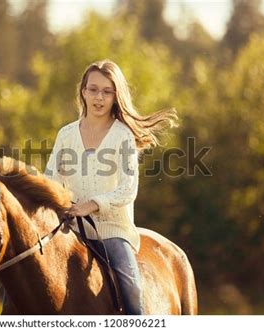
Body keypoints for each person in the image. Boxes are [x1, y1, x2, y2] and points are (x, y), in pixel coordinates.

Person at [45, 59, 178, 315]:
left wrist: (91, 205)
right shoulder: (66, 134)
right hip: (71, 230)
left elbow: (128, 188)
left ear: (116, 96)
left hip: (113, 231)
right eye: (93, 89)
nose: (99, 97)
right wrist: (58, 204)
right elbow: (50, 178)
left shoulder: (122, 136)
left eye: (107, 91)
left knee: (130, 287)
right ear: (83, 91)